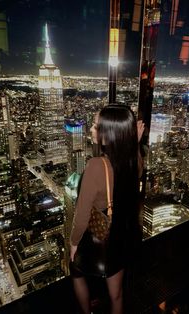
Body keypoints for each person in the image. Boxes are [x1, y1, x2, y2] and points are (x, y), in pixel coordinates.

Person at [69, 104, 144, 314]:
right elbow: (136, 170)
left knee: (75, 273)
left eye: (95, 126)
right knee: (116, 295)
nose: (91, 130)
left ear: (109, 134)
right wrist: (133, 143)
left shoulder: (96, 166)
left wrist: (73, 244)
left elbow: (82, 216)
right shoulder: (133, 160)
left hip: (101, 241)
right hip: (122, 239)